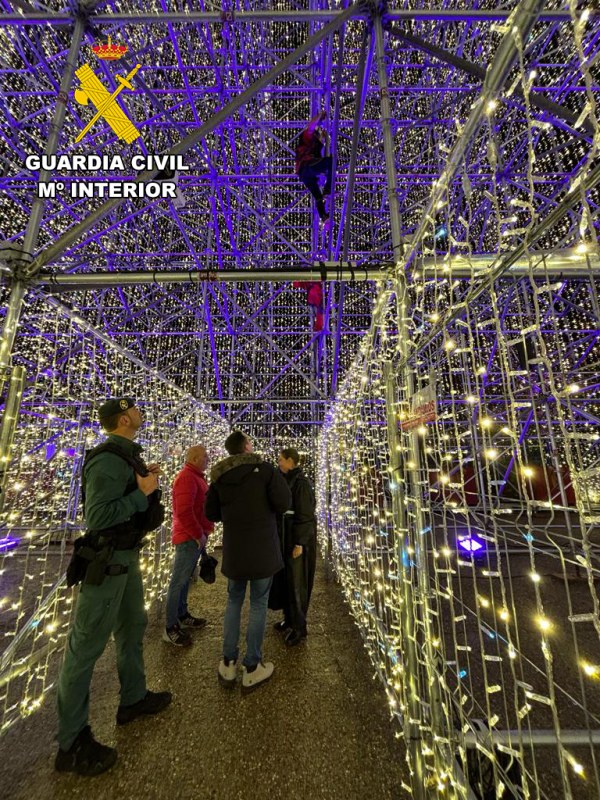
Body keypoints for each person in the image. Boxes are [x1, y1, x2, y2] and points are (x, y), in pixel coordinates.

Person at [55, 397, 171, 777]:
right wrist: (142, 493)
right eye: (135, 409)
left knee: (132, 629)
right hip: (106, 564)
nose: (140, 411)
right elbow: (99, 515)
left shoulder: (125, 458)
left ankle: (133, 698)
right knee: (85, 648)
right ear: (124, 419)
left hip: (126, 561)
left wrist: (143, 484)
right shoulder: (106, 459)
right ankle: (71, 743)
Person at [205, 430, 291, 694]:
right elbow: (283, 502)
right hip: (262, 550)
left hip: (235, 551)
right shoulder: (264, 470)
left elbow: (211, 513)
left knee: (233, 601)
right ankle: (252, 666)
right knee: (258, 604)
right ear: (246, 447)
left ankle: (228, 662)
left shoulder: (219, 476)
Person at [163, 444, 214, 646]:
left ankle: (182, 615)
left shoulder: (195, 477)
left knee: (184, 580)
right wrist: (197, 534)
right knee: (178, 581)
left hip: (194, 537)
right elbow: (184, 511)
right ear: (194, 458)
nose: (208, 459)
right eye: (205, 456)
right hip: (188, 538)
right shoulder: (186, 478)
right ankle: (170, 627)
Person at [275, 447, 317, 647]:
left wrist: (300, 542)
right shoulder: (288, 480)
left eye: (281, 460)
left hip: (297, 541)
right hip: (288, 538)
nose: (279, 463)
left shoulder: (301, 484)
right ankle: (290, 620)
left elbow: (306, 515)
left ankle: (299, 627)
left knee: (297, 583)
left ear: (291, 461)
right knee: (288, 581)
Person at [295, 110, 333, 231]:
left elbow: (320, 141)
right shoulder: (307, 138)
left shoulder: (315, 144)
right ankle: (328, 189)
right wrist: (320, 116)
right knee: (331, 162)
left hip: (304, 174)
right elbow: (311, 127)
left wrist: (322, 135)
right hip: (307, 166)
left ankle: (324, 217)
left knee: (317, 196)